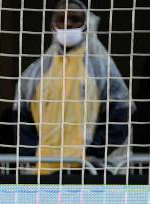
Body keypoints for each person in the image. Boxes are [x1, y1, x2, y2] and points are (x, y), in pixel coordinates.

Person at [14, 0, 134, 174]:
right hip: (45, 171)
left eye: (75, 19)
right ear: (52, 25)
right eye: (60, 19)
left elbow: (121, 113)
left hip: (91, 170)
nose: (67, 24)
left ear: (87, 24)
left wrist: (93, 151)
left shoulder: (101, 68)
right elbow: (21, 117)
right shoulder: (35, 72)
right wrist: (33, 153)